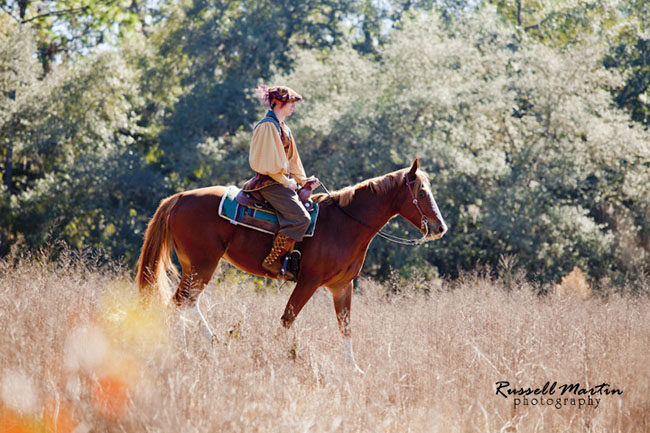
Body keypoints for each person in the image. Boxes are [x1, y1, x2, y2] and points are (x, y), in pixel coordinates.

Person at [242, 85, 319, 277]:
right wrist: (285, 181)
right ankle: (273, 261)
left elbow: (293, 160)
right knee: (301, 218)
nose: (293, 106)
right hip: (270, 183)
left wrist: (304, 181)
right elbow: (268, 164)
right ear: (277, 103)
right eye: (290, 102)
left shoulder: (284, 128)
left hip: (281, 182)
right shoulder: (268, 126)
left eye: (293, 103)